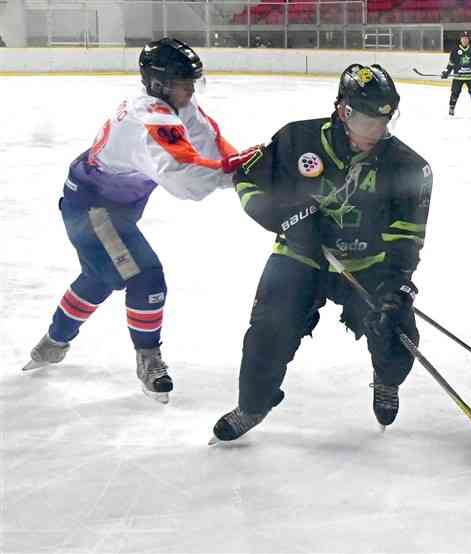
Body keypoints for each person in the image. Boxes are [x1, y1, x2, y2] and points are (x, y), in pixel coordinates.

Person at [22, 38, 257, 404]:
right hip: (92, 209)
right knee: (144, 275)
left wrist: (238, 164)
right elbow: (184, 183)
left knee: (102, 276)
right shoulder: (150, 118)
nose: (191, 90)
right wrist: (235, 175)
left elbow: (210, 142)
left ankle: (53, 342)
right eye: (184, 83)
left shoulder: (177, 104)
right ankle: (148, 357)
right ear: (160, 84)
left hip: (111, 205)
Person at [210, 64, 433, 443]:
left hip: (369, 263)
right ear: (342, 111)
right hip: (300, 255)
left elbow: (407, 236)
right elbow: (248, 179)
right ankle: (253, 404)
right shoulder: (298, 138)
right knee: (269, 326)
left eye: (384, 120)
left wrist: (397, 287)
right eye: (365, 121)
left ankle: (387, 379)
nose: (375, 131)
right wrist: (285, 219)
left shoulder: (410, 167)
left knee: (393, 325)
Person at [441, 31, 471, 117]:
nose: (465, 40)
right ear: (460, 39)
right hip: (458, 77)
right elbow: (451, 64)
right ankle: (451, 108)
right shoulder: (455, 50)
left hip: (470, 77)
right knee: (455, 93)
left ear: (468, 40)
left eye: (466, 38)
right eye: (463, 38)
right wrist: (446, 72)